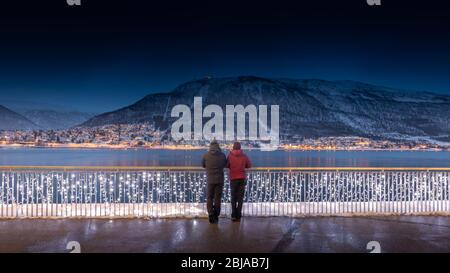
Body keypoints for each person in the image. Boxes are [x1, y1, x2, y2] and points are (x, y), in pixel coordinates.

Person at [202, 140, 227, 224]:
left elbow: (203, 165)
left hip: (210, 180)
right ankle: (216, 214)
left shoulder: (206, 155)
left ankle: (210, 214)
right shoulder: (222, 155)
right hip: (220, 180)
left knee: (209, 197)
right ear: (218, 146)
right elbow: (225, 165)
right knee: (217, 198)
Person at [226, 141, 252, 221]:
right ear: (240, 147)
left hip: (233, 178)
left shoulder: (230, 156)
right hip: (241, 178)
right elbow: (249, 165)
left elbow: (226, 165)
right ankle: (238, 215)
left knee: (233, 197)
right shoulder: (244, 156)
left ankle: (233, 215)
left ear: (233, 147)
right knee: (240, 198)